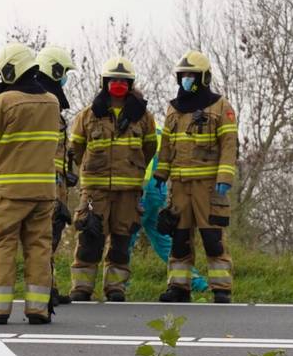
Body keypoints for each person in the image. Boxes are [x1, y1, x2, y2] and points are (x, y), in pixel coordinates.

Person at [0, 43, 63, 324]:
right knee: (39, 248)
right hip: (44, 192)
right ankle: (38, 309)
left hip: (10, 192)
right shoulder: (52, 102)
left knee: (3, 246)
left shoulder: (3, 102)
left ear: (12, 69)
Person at [68, 57, 157, 302]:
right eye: (113, 80)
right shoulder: (87, 115)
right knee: (89, 238)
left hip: (128, 191)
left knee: (121, 240)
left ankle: (115, 287)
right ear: (105, 82)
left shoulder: (143, 117)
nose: (118, 84)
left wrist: (133, 171)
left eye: (123, 81)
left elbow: (150, 148)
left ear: (130, 84)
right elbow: (75, 148)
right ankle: (82, 288)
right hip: (95, 191)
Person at [154, 50, 238, 303]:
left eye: (191, 76)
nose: (186, 80)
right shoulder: (174, 108)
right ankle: (179, 287)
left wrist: (224, 177)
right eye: (183, 76)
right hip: (179, 186)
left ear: (203, 78)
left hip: (209, 187)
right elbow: (167, 144)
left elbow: (229, 144)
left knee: (213, 238)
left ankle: (221, 288)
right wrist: (161, 172)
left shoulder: (220, 107)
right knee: (179, 238)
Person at [34, 45, 78, 306]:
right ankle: (43, 289)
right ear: (55, 70)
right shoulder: (44, 102)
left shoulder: (50, 102)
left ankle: (48, 285)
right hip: (46, 184)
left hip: (56, 182)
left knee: (52, 234)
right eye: (64, 73)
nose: (66, 79)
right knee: (44, 235)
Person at [129, 151, 209, 293]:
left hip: (142, 191)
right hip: (157, 190)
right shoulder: (159, 133)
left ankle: (118, 285)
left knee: (125, 236)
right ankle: (196, 281)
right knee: (162, 240)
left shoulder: (139, 129)